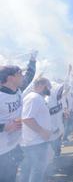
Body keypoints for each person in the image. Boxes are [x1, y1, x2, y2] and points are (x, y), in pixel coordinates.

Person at [0, 53, 36, 182]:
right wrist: (4, 127)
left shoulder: (18, 89)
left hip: (14, 147)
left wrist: (32, 60)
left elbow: (30, 76)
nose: (22, 76)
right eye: (19, 73)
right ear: (10, 78)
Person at [20, 77, 52, 182]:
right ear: (41, 86)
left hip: (36, 142)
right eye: (48, 86)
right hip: (35, 142)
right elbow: (27, 119)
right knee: (36, 172)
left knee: (29, 171)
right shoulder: (34, 98)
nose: (50, 89)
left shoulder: (37, 97)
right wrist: (43, 132)